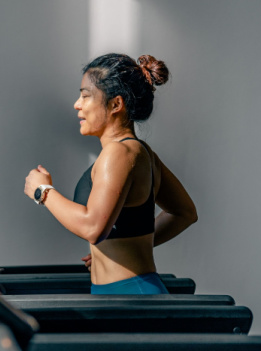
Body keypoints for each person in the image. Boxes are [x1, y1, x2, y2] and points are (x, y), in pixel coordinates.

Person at [24, 53, 197, 295]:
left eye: (85, 96)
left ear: (116, 104)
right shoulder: (141, 152)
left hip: (132, 298)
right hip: (126, 293)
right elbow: (184, 213)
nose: (77, 104)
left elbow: (93, 227)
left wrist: (43, 192)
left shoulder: (118, 153)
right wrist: (122, 248)